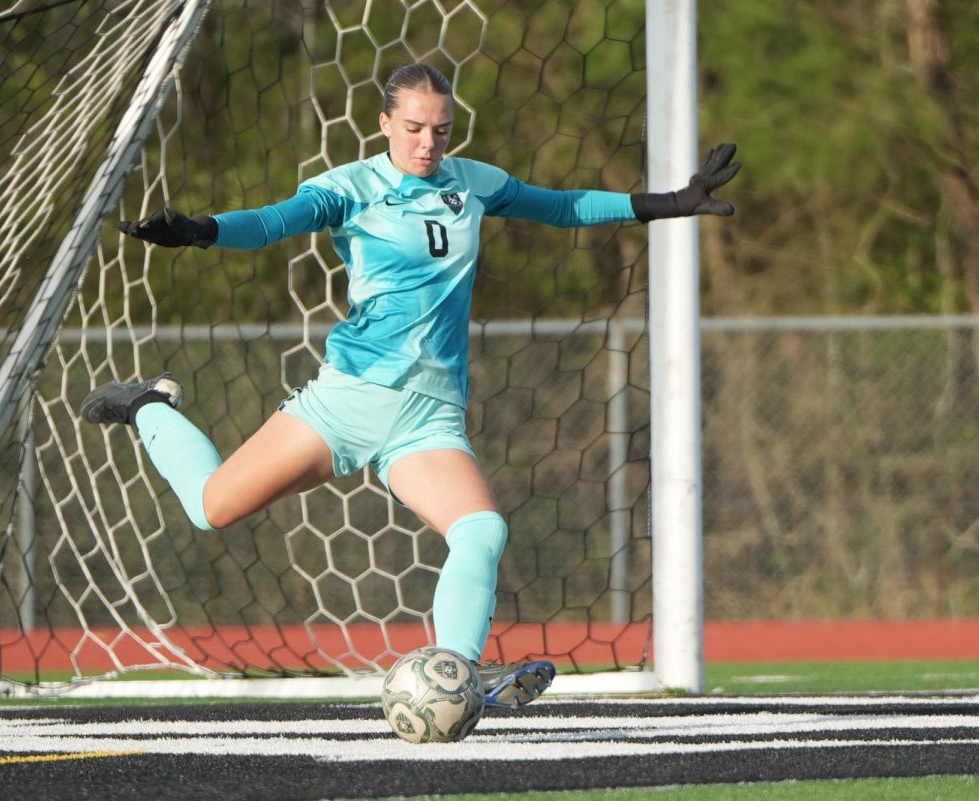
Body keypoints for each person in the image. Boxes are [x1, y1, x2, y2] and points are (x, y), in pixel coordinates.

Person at [83, 63, 739, 708]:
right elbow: (273, 220)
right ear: (385, 123)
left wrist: (670, 203)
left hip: (428, 420)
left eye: (443, 130)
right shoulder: (351, 186)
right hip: (345, 402)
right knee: (211, 507)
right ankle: (147, 404)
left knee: (481, 531)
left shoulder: (473, 183)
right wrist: (204, 230)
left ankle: (458, 674)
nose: (429, 143)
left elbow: (562, 206)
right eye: (416, 127)